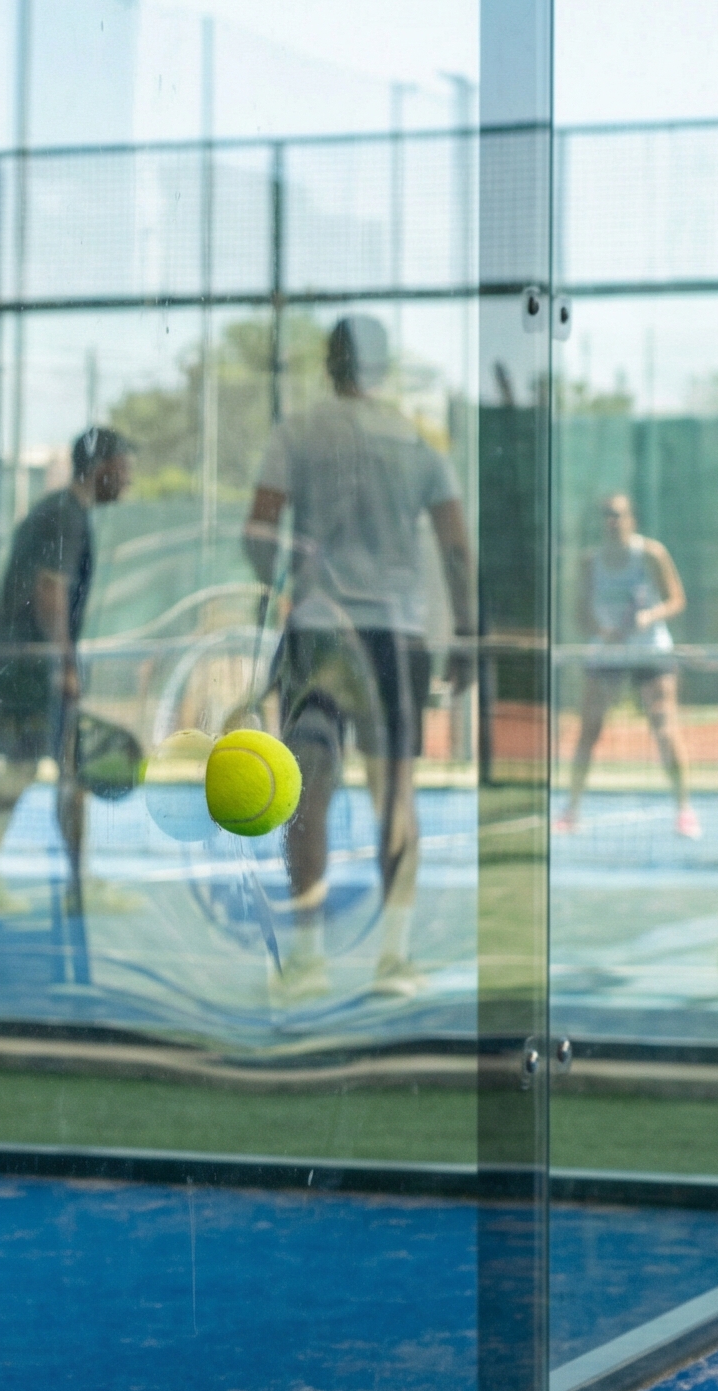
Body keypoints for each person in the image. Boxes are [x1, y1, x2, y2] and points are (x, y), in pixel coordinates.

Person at [243, 316, 475, 1001]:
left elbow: (259, 529)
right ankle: (392, 961)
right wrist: (463, 630)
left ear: (329, 362)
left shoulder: (298, 431)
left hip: (317, 631)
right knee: (393, 794)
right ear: (382, 366)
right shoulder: (416, 443)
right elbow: (457, 547)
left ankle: (308, 963)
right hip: (395, 637)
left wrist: (281, 584)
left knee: (306, 794)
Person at [0, 427, 136, 915]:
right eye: (124, 471)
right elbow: (49, 589)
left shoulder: (65, 512)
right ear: (103, 468)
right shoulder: (66, 514)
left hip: (22, 663)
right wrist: (64, 664)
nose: (128, 483)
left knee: (30, 770)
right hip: (29, 668)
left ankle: (60, 880)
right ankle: (74, 886)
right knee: (58, 772)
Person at [557, 493, 698, 839]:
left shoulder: (651, 555)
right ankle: (571, 810)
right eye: (606, 515)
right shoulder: (590, 562)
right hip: (608, 653)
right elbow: (580, 614)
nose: (612, 521)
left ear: (632, 519)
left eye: (618, 515)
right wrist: (604, 631)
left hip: (651, 651)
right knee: (588, 730)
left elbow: (677, 599)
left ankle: (684, 810)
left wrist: (649, 616)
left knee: (665, 727)